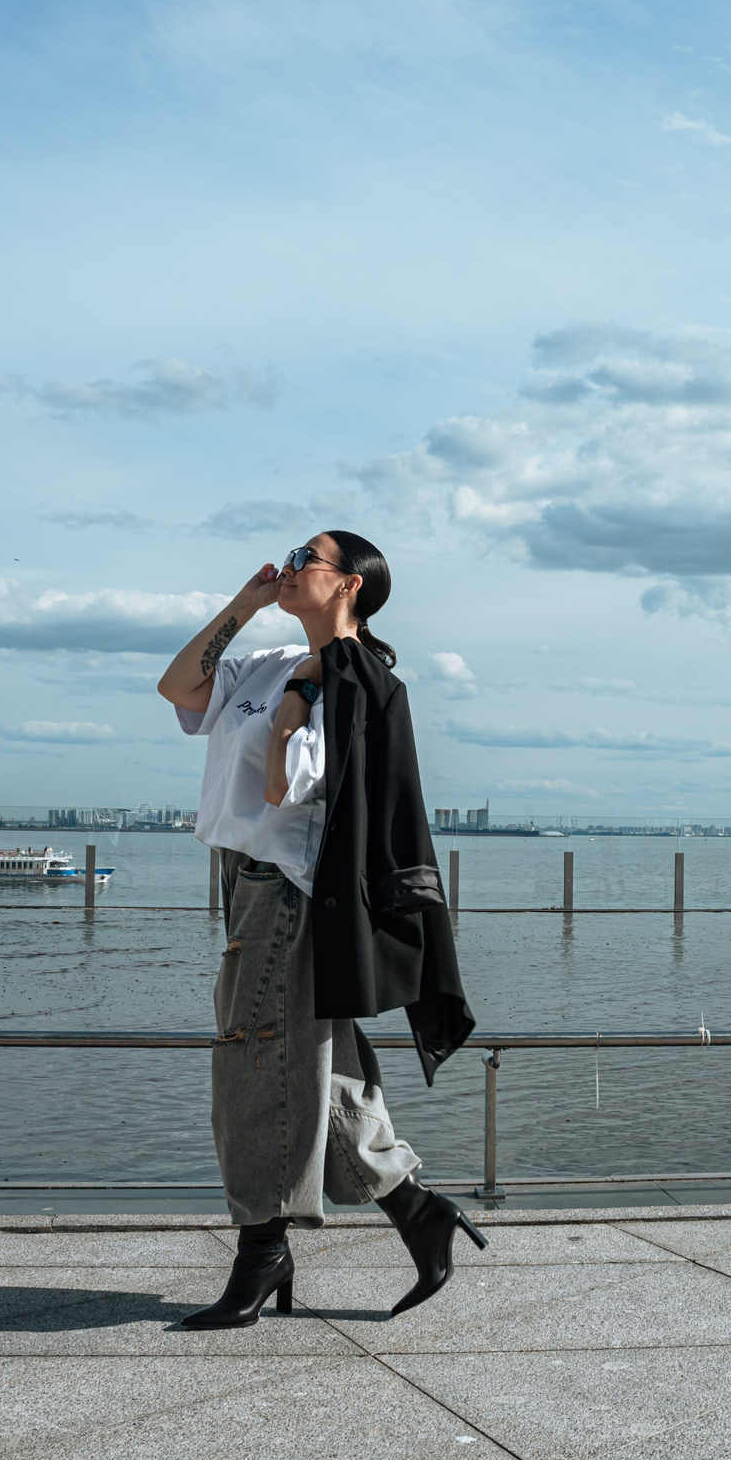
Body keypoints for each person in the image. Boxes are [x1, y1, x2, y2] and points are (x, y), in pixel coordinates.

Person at [156, 530, 481, 1328]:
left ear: (350, 587)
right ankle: (416, 1209)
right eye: (291, 552)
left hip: (290, 891)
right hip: (249, 885)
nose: (292, 563)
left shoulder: (352, 681)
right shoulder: (264, 663)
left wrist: (304, 694)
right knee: (315, 1066)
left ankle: (262, 1251)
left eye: (310, 557)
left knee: (253, 1063)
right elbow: (178, 689)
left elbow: (280, 788)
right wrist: (245, 604)